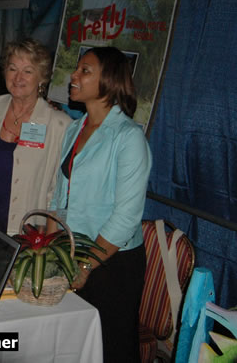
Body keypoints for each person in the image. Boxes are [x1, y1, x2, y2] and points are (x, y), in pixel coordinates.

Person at [48, 46, 152, 363]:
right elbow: (58, 198)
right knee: (72, 346)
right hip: (72, 256)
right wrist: (50, 250)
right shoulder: (75, 129)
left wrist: (86, 265)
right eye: (77, 69)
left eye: (85, 70)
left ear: (108, 80)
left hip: (111, 264)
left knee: (110, 349)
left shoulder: (129, 137)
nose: (73, 76)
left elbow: (126, 218)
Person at [0, 39, 70, 234]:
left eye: (28, 71)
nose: (18, 78)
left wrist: (48, 237)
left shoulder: (59, 125)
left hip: (28, 233)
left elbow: (57, 191)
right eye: (13, 68)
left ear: (42, 78)